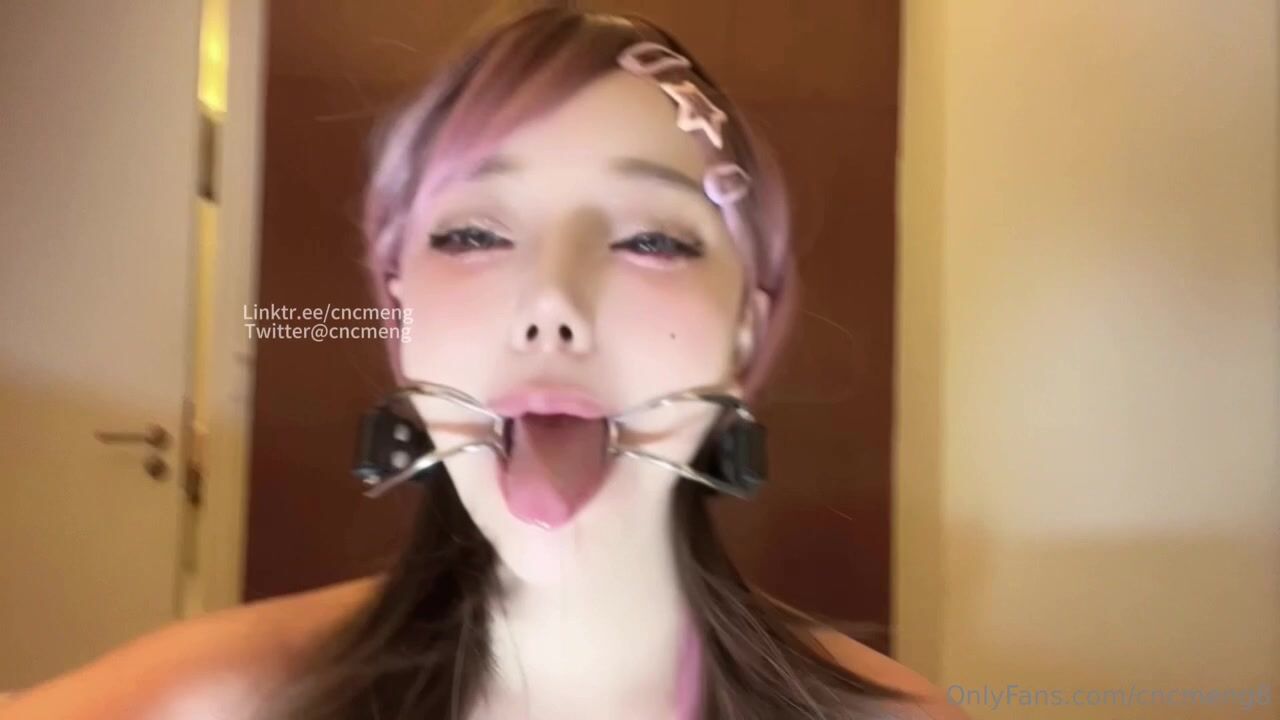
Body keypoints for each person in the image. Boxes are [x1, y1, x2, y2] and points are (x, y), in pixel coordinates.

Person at [0, 9, 969, 720]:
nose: (550, 304)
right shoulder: (213, 701)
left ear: (746, 332)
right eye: (471, 234)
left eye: (653, 240)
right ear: (397, 314)